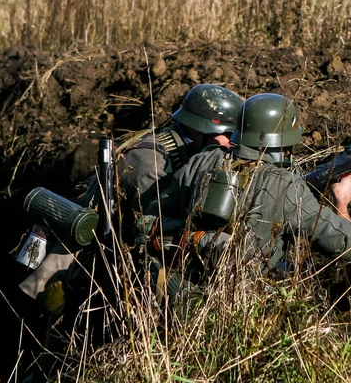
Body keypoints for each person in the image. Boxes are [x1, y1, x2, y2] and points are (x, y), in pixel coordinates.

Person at [18, 84, 244, 382]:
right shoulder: (148, 165)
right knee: (61, 358)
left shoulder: (177, 147)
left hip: (114, 256)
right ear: (204, 129)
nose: (230, 144)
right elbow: (147, 229)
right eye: (228, 135)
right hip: (87, 263)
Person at [139, 93, 351, 305]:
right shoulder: (286, 185)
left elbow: (152, 215)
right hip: (242, 304)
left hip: (178, 291)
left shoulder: (201, 161)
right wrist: (341, 201)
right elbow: (346, 246)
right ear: (284, 143)